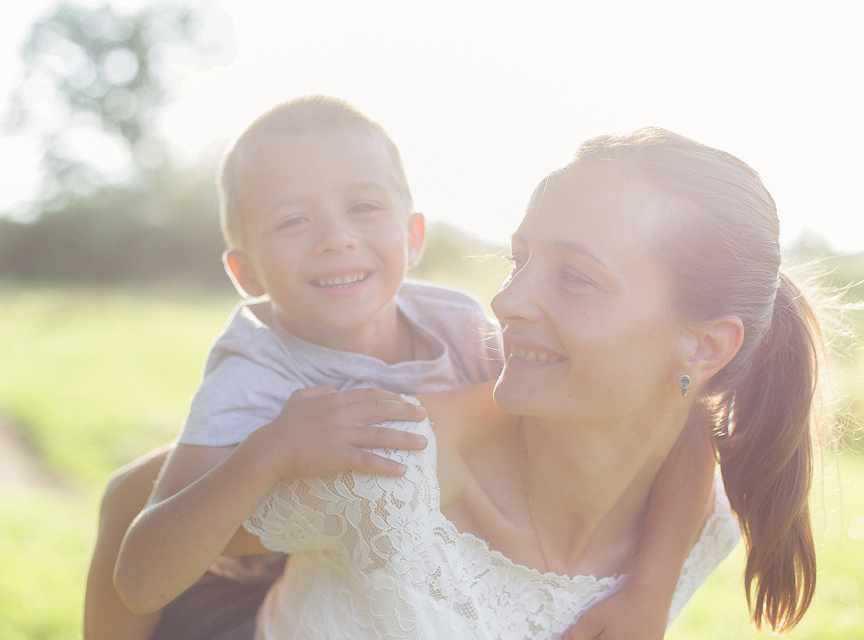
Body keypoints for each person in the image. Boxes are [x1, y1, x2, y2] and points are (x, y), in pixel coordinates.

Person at [115, 127, 824, 638]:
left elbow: (687, 422)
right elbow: (138, 541)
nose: (505, 302)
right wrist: (266, 451)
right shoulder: (379, 453)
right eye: (518, 261)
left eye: (575, 276)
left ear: (706, 346)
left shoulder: (700, 516)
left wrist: (648, 592)